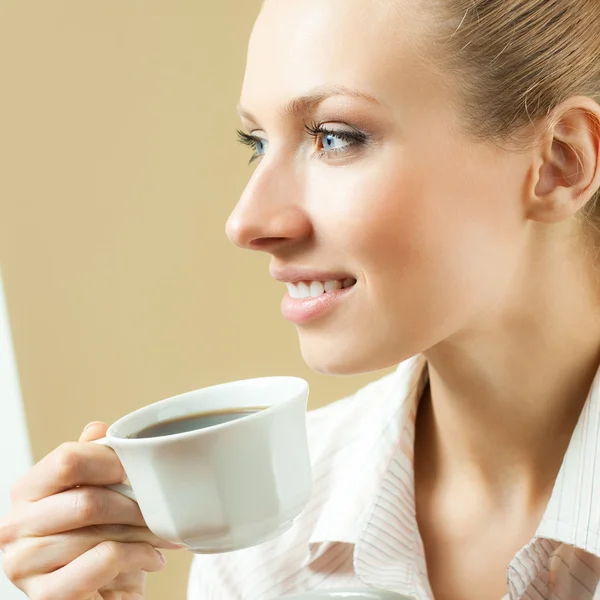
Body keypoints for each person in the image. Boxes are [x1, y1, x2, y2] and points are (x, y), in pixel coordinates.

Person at [3, 0, 600, 598]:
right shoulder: (269, 545)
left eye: (334, 137)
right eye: (257, 142)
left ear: (561, 161)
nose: (247, 221)